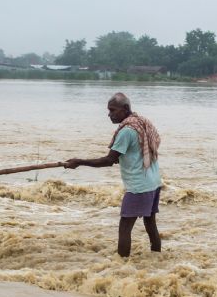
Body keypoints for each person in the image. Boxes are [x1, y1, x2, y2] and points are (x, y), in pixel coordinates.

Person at [64, 92, 162, 257]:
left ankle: (121, 267)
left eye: (113, 110)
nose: (109, 114)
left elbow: (109, 160)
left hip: (139, 186)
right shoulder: (142, 122)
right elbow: (136, 151)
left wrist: (79, 162)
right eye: (109, 111)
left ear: (125, 109)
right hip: (153, 182)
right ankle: (158, 259)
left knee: (124, 228)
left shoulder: (127, 131)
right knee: (150, 224)